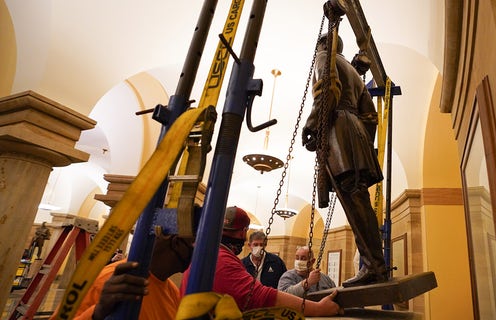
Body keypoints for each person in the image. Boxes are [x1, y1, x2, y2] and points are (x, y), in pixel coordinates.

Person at [301, 32, 388, 287]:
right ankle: (375, 265)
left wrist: (312, 124)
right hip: (356, 135)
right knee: (359, 202)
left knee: (354, 202)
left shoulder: (323, 57)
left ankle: (374, 267)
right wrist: (362, 141)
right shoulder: (353, 71)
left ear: (323, 44)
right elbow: (371, 116)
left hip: (338, 134)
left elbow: (327, 90)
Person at [181, 206, 341, 317]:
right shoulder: (222, 260)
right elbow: (260, 296)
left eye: (304, 258)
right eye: (297, 257)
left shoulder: (212, 255)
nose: (299, 261)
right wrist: (318, 309)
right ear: (244, 234)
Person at [53, 208, 196, 320]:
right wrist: (99, 312)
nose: (197, 253)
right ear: (176, 243)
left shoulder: (172, 292)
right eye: (195, 244)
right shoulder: (110, 280)